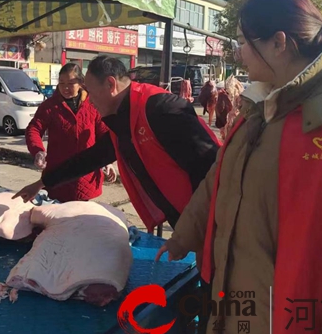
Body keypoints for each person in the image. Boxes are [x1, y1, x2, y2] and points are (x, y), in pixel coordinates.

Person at [157, 0, 322, 334]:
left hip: (289, 328)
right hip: (230, 307)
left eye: (242, 41)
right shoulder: (261, 103)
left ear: (278, 43)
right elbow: (218, 179)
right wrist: (183, 236)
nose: (237, 52)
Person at [14, 55, 221, 232]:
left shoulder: (161, 109)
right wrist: (42, 183)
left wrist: (192, 228)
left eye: (91, 93)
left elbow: (213, 169)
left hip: (209, 221)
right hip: (185, 221)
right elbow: (90, 159)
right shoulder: (121, 119)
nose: (90, 101)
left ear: (111, 85)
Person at [25, 63, 116, 202]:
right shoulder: (50, 106)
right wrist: (38, 150)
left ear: (80, 83)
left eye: (70, 83)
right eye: (61, 83)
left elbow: (104, 133)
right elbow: (34, 129)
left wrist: (107, 162)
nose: (65, 87)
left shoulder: (93, 104)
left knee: (82, 219)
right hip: (58, 175)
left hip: (87, 177)